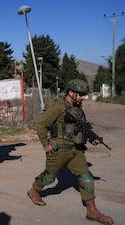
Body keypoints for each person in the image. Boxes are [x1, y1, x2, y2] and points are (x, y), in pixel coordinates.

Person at [27, 79, 114, 225]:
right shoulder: (58, 107)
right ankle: (34, 190)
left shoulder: (78, 108)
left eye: (84, 94)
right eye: (80, 94)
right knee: (49, 177)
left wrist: (91, 137)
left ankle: (92, 210)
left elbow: (80, 126)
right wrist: (45, 145)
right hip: (59, 149)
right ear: (71, 92)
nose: (83, 97)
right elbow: (41, 124)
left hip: (76, 149)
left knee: (86, 178)